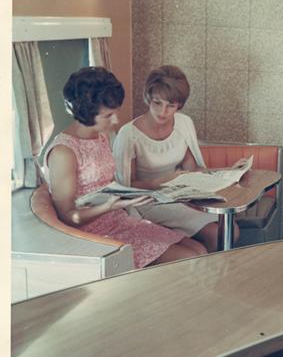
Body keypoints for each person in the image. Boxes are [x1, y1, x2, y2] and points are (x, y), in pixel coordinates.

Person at [44, 67, 205, 268]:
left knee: (200, 250)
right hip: (96, 234)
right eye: (108, 115)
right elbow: (68, 217)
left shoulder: (100, 136)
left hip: (120, 220)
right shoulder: (63, 152)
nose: (116, 120)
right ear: (85, 113)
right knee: (191, 259)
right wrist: (107, 206)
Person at [113, 65, 236, 252]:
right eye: (157, 103)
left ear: (179, 104)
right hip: (148, 201)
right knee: (215, 233)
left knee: (230, 230)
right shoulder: (129, 134)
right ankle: (209, 276)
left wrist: (230, 171)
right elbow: (126, 187)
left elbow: (192, 170)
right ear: (148, 98)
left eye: (170, 105)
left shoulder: (184, 124)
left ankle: (212, 274)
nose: (163, 112)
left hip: (178, 195)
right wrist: (163, 181)